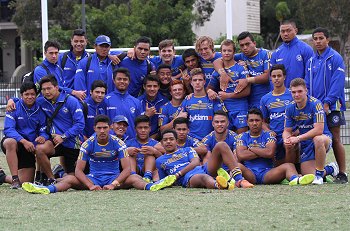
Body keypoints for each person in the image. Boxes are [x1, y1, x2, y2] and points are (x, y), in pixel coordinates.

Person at [21, 115, 176, 194]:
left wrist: (113, 184)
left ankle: (152, 186)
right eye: (99, 128)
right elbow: (78, 171)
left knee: (135, 178)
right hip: (93, 178)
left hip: (113, 178)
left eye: (105, 128)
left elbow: (127, 169)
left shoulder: (118, 142)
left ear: (110, 128)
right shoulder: (88, 144)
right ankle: (47, 190)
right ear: (94, 129)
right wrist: (90, 185)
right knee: (69, 178)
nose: (102, 131)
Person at [305, 27, 348, 183]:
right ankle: (319, 171)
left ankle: (342, 173)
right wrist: (310, 103)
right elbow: (307, 84)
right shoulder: (310, 61)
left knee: (336, 138)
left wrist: (327, 102)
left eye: (321, 38)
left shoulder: (335, 58)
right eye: (315, 39)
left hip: (332, 106)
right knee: (317, 138)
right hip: (315, 107)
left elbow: (337, 83)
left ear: (328, 39)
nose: (318, 41)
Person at [236, 108, 315, 185]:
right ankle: (239, 181)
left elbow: (270, 153)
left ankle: (296, 179)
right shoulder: (242, 136)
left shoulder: (269, 135)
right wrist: (263, 151)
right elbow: (241, 155)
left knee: (288, 165)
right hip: (249, 174)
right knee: (237, 166)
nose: (254, 123)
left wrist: (251, 149)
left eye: (257, 120)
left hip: (267, 173)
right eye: (251, 120)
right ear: (247, 122)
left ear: (262, 121)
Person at [282, 78, 339, 185]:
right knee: (309, 175)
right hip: (306, 143)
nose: (296, 95)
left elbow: (319, 130)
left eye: (299, 91)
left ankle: (319, 176)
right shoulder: (290, 107)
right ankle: (331, 168)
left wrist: (297, 138)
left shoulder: (315, 104)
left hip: (323, 138)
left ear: (306, 91)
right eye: (293, 92)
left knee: (318, 139)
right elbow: (286, 130)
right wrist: (287, 139)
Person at [156, 130, 254, 190]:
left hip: (202, 168)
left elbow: (195, 162)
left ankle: (240, 180)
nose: (168, 142)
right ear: (161, 142)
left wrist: (178, 174)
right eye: (165, 140)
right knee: (203, 177)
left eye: (171, 139)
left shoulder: (187, 149)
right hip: (189, 178)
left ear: (176, 141)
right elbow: (165, 181)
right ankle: (220, 185)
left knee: (221, 145)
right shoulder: (160, 161)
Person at [34, 75, 85, 185]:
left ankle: (60, 173)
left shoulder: (71, 101)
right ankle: (51, 179)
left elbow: (80, 124)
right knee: (40, 149)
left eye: (49, 88)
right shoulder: (41, 101)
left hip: (72, 143)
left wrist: (63, 136)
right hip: (54, 142)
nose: (46, 92)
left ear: (57, 88)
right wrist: (12, 101)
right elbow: (25, 99)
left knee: (73, 180)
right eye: (43, 89)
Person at [1, 82, 48, 188]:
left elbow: (43, 130)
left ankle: (2, 177)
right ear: (21, 95)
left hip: (29, 148)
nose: (30, 97)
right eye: (26, 94)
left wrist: (42, 136)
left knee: (26, 181)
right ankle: (14, 179)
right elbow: (8, 129)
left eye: (32, 94)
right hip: (16, 143)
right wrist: (23, 141)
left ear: (36, 95)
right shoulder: (13, 107)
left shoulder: (40, 109)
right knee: (10, 142)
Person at [215, 32, 271, 109]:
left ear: (254, 43)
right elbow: (217, 61)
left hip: (265, 99)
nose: (245, 47)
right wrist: (223, 74)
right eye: (242, 45)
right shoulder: (241, 56)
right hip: (249, 101)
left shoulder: (265, 54)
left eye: (247, 44)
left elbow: (267, 76)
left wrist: (247, 80)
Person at [209, 39, 250, 134]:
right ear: (221, 52)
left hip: (240, 108)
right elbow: (209, 87)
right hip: (224, 109)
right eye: (224, 51)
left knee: (241, 138)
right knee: (226, 138)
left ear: (234, 52)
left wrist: (228, 96)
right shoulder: (218, 71)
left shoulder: (241, 68)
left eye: (229, 51)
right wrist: (209, 91)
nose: (226, 53)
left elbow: (247, 92)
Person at [260, 64, 293, 166]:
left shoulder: (292, 95)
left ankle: (291, 169)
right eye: (274, 76)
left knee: (290, 145)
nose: (276, 79)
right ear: (270, 78)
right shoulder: (265, 99)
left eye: (279, 76)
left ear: (284, 77)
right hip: (274, 136)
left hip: (290, 134)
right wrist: (269, 131)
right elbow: (262, 121)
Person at [180, 68, 226, 140]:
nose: (197, 82)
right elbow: (179, 122)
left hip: (211, 139)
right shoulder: (187, 100)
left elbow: (223, 120)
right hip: (191, 139)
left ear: (204, 82)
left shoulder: (213, 98)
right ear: (191, 83)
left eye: (200, 80)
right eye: (195, 80)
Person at [270, 20, 313, 88]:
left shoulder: (306, 49)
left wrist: (304, 91)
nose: (285, 34)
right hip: (282, 95)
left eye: (288, 30)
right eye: (282, 31)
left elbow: (310, 75)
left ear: (296, 31)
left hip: (299, 94)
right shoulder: (276, 53)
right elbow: (272, 78)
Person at [105, 68, 142, 139]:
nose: (122, 81)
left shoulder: (136, 102)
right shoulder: (106, 100)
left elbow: (139, 125)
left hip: (131, 143)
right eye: (119, 79)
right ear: (113, 81)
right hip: (111, 143)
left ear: (129, 81)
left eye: (125, 79)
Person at [126, 115, 162, 183]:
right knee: (130, 154)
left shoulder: (157, 144)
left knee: (149, 154)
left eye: (145, 127)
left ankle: (147, 177)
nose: (143, 130)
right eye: (140, 128)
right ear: (135, 129)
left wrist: (155, 151)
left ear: (150, 128)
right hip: (134, 169)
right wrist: (126, 151)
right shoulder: (128, 143)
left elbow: (165, 159)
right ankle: (133, 176)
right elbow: (117, 157)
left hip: (150, 170)